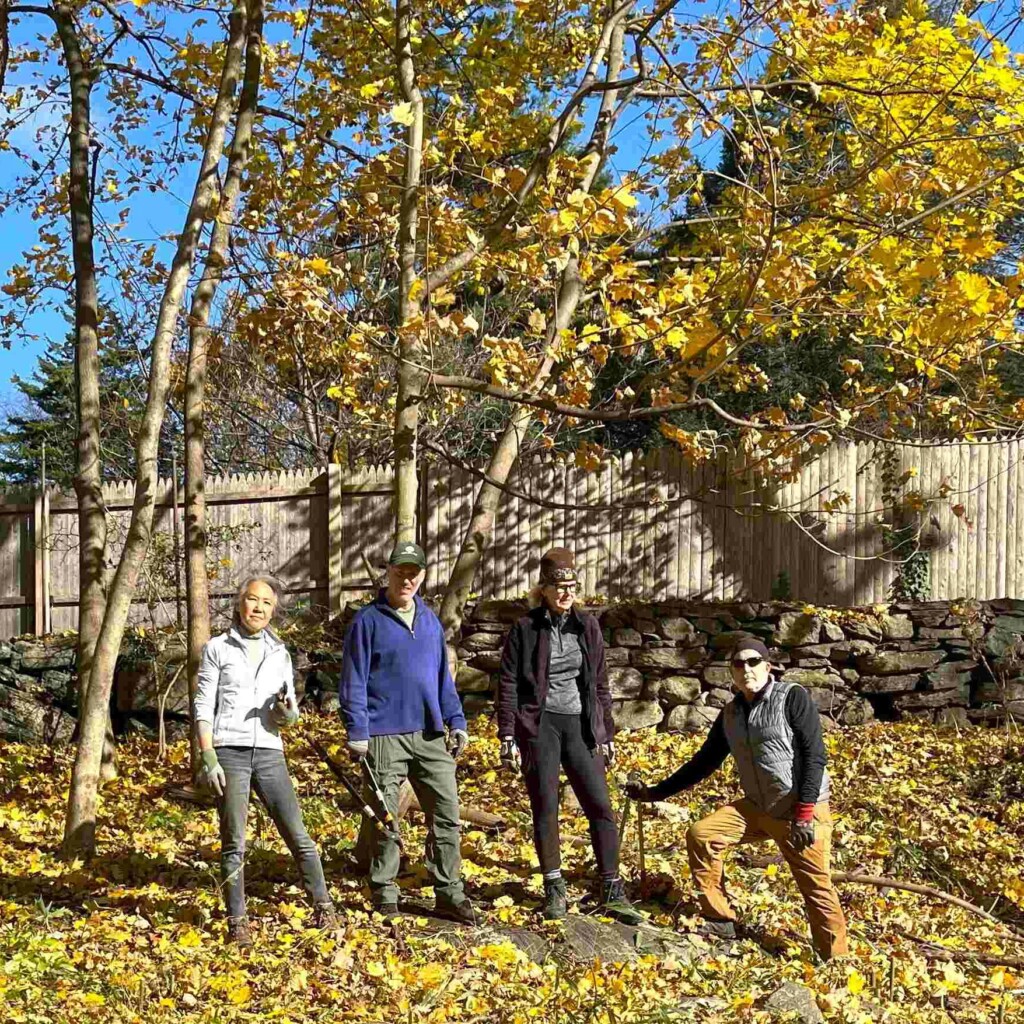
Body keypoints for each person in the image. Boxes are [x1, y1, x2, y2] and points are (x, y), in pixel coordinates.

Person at [626, 636, 848, 959]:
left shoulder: (792, 698)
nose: (747, 669)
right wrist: (654, 793)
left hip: (799, 809)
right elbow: (703, 763)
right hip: (757, 807)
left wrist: (804, 813)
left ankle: (836, 960)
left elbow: (815, 755)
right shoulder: (730, 714)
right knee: (702, 835)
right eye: (738, 663)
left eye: (753, 661)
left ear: (767, 666)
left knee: (816, 888)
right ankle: (720, 918)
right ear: (731, 671)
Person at [497, 547, 641, 922]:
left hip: (581, 725)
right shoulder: (525, 629)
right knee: (545, 807)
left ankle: (611, 887)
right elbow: (508, 683)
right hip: (539, 726)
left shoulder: (587, 625)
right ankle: (554, 888)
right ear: (543, 589)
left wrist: (605, 732)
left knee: (600, 806)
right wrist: (507, 734)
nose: (566, 593)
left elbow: (600, 683)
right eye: (558, 586)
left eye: (572, 586)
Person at [195, 576, 338, 947]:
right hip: (230, 752)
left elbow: (287, 714)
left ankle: (324, 907)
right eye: (252, 600)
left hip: (271, 752)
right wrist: (208, 755)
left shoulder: (280, 652)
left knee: (298, 835)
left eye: (266, 603)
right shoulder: (217, 648)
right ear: (240, 603)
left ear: (274, 611)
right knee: (234, 842)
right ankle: (237, 922)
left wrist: (287, 713)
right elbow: (202, 705)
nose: (258, 608)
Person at [339, 541, 475, 924]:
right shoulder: (367, 621)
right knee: (386, 815)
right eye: (400, 571)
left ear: (423, 575)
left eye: (414, 572)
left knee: (446, 812)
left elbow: (441, 681)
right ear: (389, 572)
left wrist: (457, 721)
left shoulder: (430, 621)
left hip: (431, 733)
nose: (407, 578)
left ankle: (449, 891)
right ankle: (384, 889)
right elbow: (352, 681)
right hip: (383, 734)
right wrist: (357, 729)